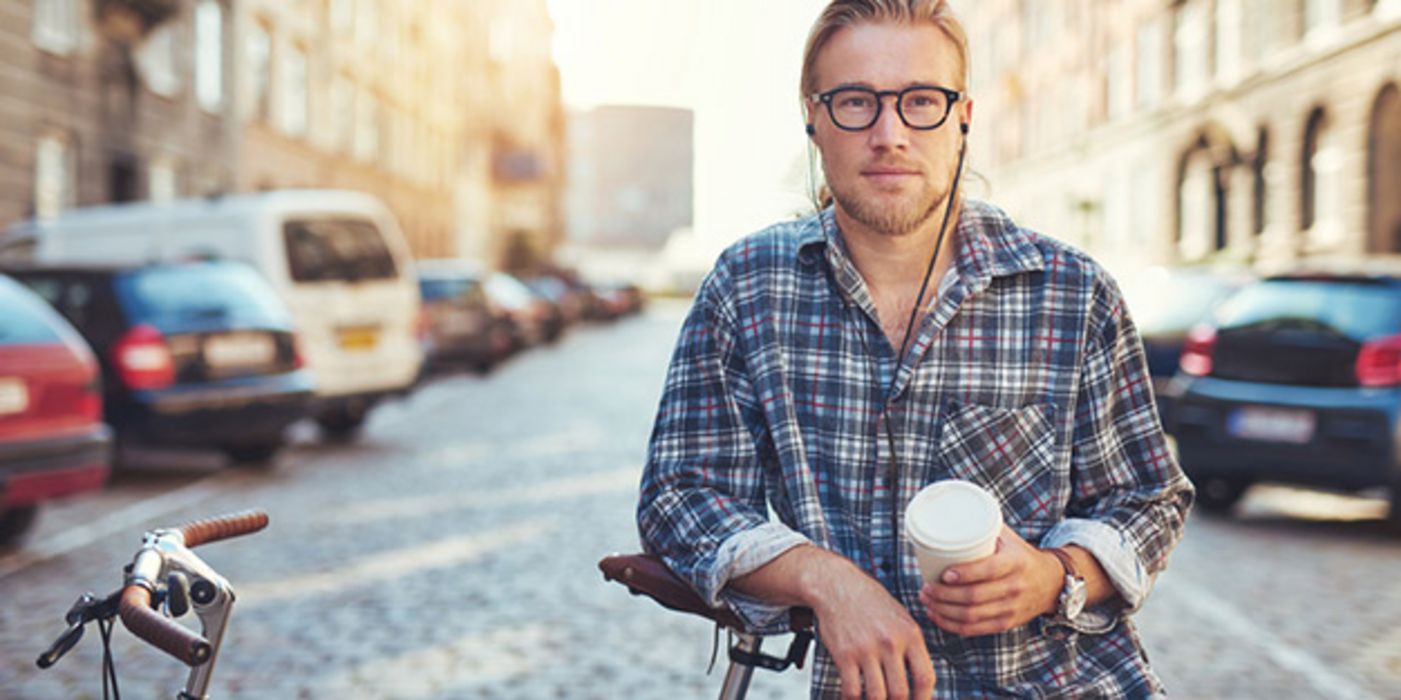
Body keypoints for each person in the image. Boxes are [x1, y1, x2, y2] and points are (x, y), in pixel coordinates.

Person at [637, 0, 1194, 697]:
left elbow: (1148, 498)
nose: (889, 133)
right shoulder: (748, 287)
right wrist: (825, 578)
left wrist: (1055, 574)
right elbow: (678, 493)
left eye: (920, 101)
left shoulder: (1072, 291)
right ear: (812, 117)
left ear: (963, 117)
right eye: (854, 102)